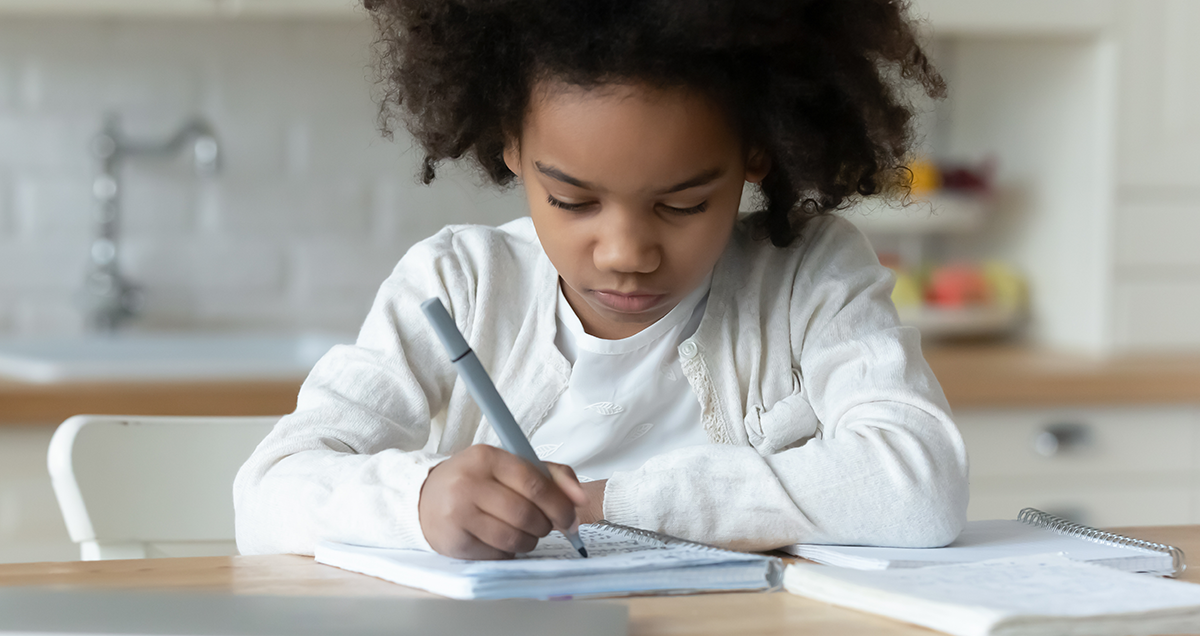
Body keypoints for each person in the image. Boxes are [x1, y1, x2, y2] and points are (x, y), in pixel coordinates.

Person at [234, 0, 970, 560]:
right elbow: (267, 495)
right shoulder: (458, 284)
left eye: (683, 203)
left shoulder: (807, 273)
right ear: (510, 146)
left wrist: (615, 502)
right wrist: (420, 502)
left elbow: (919, 487)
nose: (626, 252)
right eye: (573, 201)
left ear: (757, 153)